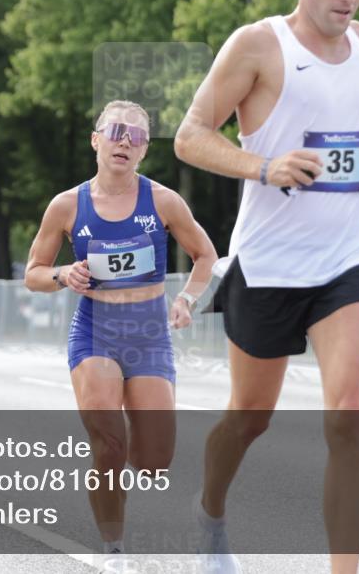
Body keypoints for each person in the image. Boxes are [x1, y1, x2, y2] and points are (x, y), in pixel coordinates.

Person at [173, 0, 359, 573]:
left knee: (348, 414)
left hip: (346, 257)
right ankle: (211, 511)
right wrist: (264, 166)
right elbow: (190, 136)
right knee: (249, 418)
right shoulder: (257, 45)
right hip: (270, 262)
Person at [25, 100, 217, 567]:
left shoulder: (165, 201)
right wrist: (63, 274)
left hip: (149, 333)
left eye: (135, 136)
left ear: (145, 150)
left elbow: (206, 256)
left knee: (154, 462)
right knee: (109, 447)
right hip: (96, 331)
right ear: (96, 139)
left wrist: (186, 299)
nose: (124, 141)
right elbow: (34, 272)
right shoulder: (67, 205)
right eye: (116, 131)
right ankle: (113, 550)